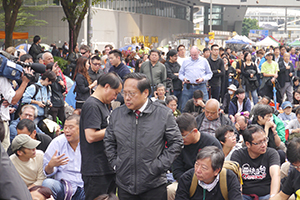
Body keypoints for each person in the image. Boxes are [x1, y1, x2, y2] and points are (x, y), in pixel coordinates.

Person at [104, 73, 183, 200]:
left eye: (132, 93)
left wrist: (159, 165)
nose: (127, 98)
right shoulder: (117, 114)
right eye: (125, 93)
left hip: (154, 184)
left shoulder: (163, 114)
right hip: (125, 184)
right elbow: (109, 141)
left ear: (145, 93)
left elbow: (177, 142)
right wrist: (116, 163)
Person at [80, 72, 122, 199]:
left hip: (106, 166)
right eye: (115, 93)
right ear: (107, 86)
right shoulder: (92, 105)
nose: (115, 97)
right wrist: (116, 128)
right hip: (96, 169)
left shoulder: (103, 105)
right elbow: (91, 136)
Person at [231, 125, 280, 200]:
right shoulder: (238, 155)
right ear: (248, 144)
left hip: (266, 194)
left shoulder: (271, 153)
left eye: (265, 140)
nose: (264, 145)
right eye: (259, 143)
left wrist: (273, 197)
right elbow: (236, 179)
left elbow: (276, 175)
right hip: (245, 195)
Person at [175, 146, 242, 200]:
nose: (198, 170)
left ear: (216, 171)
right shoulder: (187, 178)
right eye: (197, 164)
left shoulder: (229, 178)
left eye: (204, 168)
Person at [42, 114, 85, 200]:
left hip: (84, 186)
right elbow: (47, 172)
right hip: (64, 187)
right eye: (65, 127)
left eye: (70, 127)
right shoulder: (57, 142)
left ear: (80, 128)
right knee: (48, 183)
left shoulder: (88, 142)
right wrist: (51, 165)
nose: (67, 131)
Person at [172, 113, 222, 182]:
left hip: (208, 181)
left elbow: (217, 169)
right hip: (185, 181)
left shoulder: (212, 144)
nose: (180, 139)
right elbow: (177, 170)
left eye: (183, 136)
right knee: (170, 190)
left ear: (195, 131)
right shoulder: (178, 145)